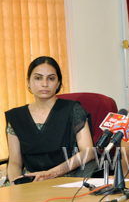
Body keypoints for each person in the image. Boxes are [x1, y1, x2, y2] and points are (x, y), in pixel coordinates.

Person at [5, 56, 96, 185]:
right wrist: (16, 183)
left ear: (58, 83)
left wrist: (50, 174)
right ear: (28, 82)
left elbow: (88, 152)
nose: (45, 84)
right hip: (29, 182)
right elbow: (15, 162)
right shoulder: (16, 117)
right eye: (38, 78)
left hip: (66, 178)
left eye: (51, 78)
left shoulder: (73, 110)